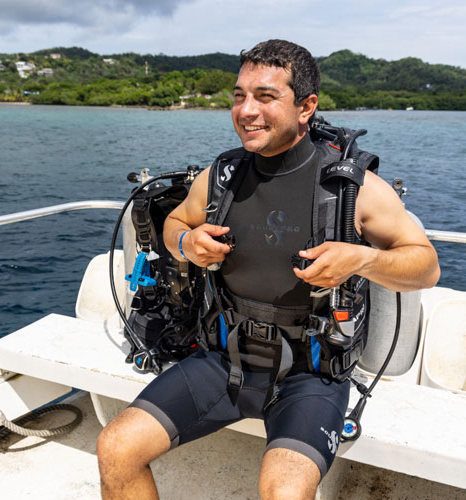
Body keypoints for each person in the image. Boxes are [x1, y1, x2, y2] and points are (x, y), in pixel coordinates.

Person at [97, 39, 440, 500]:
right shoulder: (223, 175)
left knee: (284, 493)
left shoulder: (353, 189)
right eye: (239, 96)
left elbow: (426, 267)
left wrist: (363, 258)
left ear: (305, 107)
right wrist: (185, 241)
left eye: (265, 96)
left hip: (311, 373)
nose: (246, 110)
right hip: (223, 359)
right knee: (115, 447)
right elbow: (177, 221)